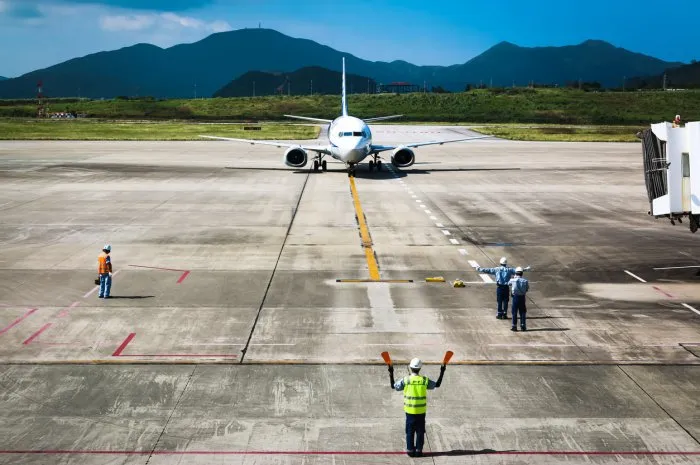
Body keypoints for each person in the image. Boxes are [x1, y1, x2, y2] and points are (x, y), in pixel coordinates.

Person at [393, 358, 445, 457]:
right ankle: (419, 450)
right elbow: (437, 384)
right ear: (420, 368)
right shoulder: (424, 380)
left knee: (409, 431)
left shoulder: (406, 380)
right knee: (420, 432)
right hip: (421, 412)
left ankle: (410, 451)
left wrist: (391, 373)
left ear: (410, 367)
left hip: (409, 411)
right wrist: (442, 371)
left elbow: (394, 386)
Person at [509, 267, 529, 331]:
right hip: (522, 297)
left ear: (516, 273)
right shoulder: (525, 281)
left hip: (515, 297)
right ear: (522, 274)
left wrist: (514, 278)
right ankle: (523, 325)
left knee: (514, 312)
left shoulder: (513, 280)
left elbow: (508, 283)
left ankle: (514, 326)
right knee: (523, 312)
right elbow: (527, 289)